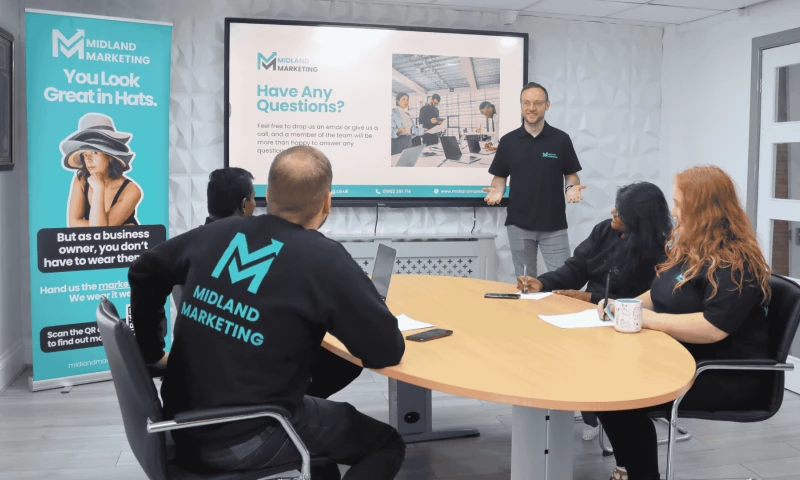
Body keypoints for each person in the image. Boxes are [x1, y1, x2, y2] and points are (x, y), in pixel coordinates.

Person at [129, 146, 407, 479]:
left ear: (267, 195)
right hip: (246, 435)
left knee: (327, 375)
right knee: (385, 444)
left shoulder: (217, 233)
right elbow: (385, 351)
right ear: (327, 201)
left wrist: (151, 351)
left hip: (182, 421)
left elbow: (144, 270)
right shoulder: (325, 259)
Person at [595, 166, 772, 480]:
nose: (674, 212)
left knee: (619, 396)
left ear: (703, 210)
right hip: (682, 358)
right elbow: (659, 293)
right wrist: (626, 305)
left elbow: (713, 328)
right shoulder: (692, 249)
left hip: (723, 374)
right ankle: (628, 470)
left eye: (679, 204)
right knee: (604, 384)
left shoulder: (736, 261)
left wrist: (650, 321)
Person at [516, 181, 672, 441]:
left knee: (577, 355)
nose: (613, 212)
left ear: (638, 218)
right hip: (590, 314)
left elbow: (647, 300)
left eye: (620, 210)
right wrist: (542, 282)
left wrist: (591, 298)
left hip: (628, 325)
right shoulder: (603, 231)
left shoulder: (659, 251)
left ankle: (601, 412)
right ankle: (587, 412)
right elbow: (576, 268)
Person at [483, 82, 586, 279]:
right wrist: (497, 190)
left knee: (563, 280)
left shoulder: (561, 139)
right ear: (521, 105)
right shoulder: (508, 141)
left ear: (547, 105)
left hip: (554, 224)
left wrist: (571, 187)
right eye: (526, 103)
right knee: (525, 282)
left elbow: (571, 174)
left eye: (538, 103)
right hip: (518, 225)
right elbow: (500, 177)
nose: (531, 108)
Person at [63, 113, 142, 227]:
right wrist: (116, 228)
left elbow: (101, 231)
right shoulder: (81, 180)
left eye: (94, 152)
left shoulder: (131, 190)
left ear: (110, 156)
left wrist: (98, 189)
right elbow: (74, 224)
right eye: (85, 154)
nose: (88, 159)